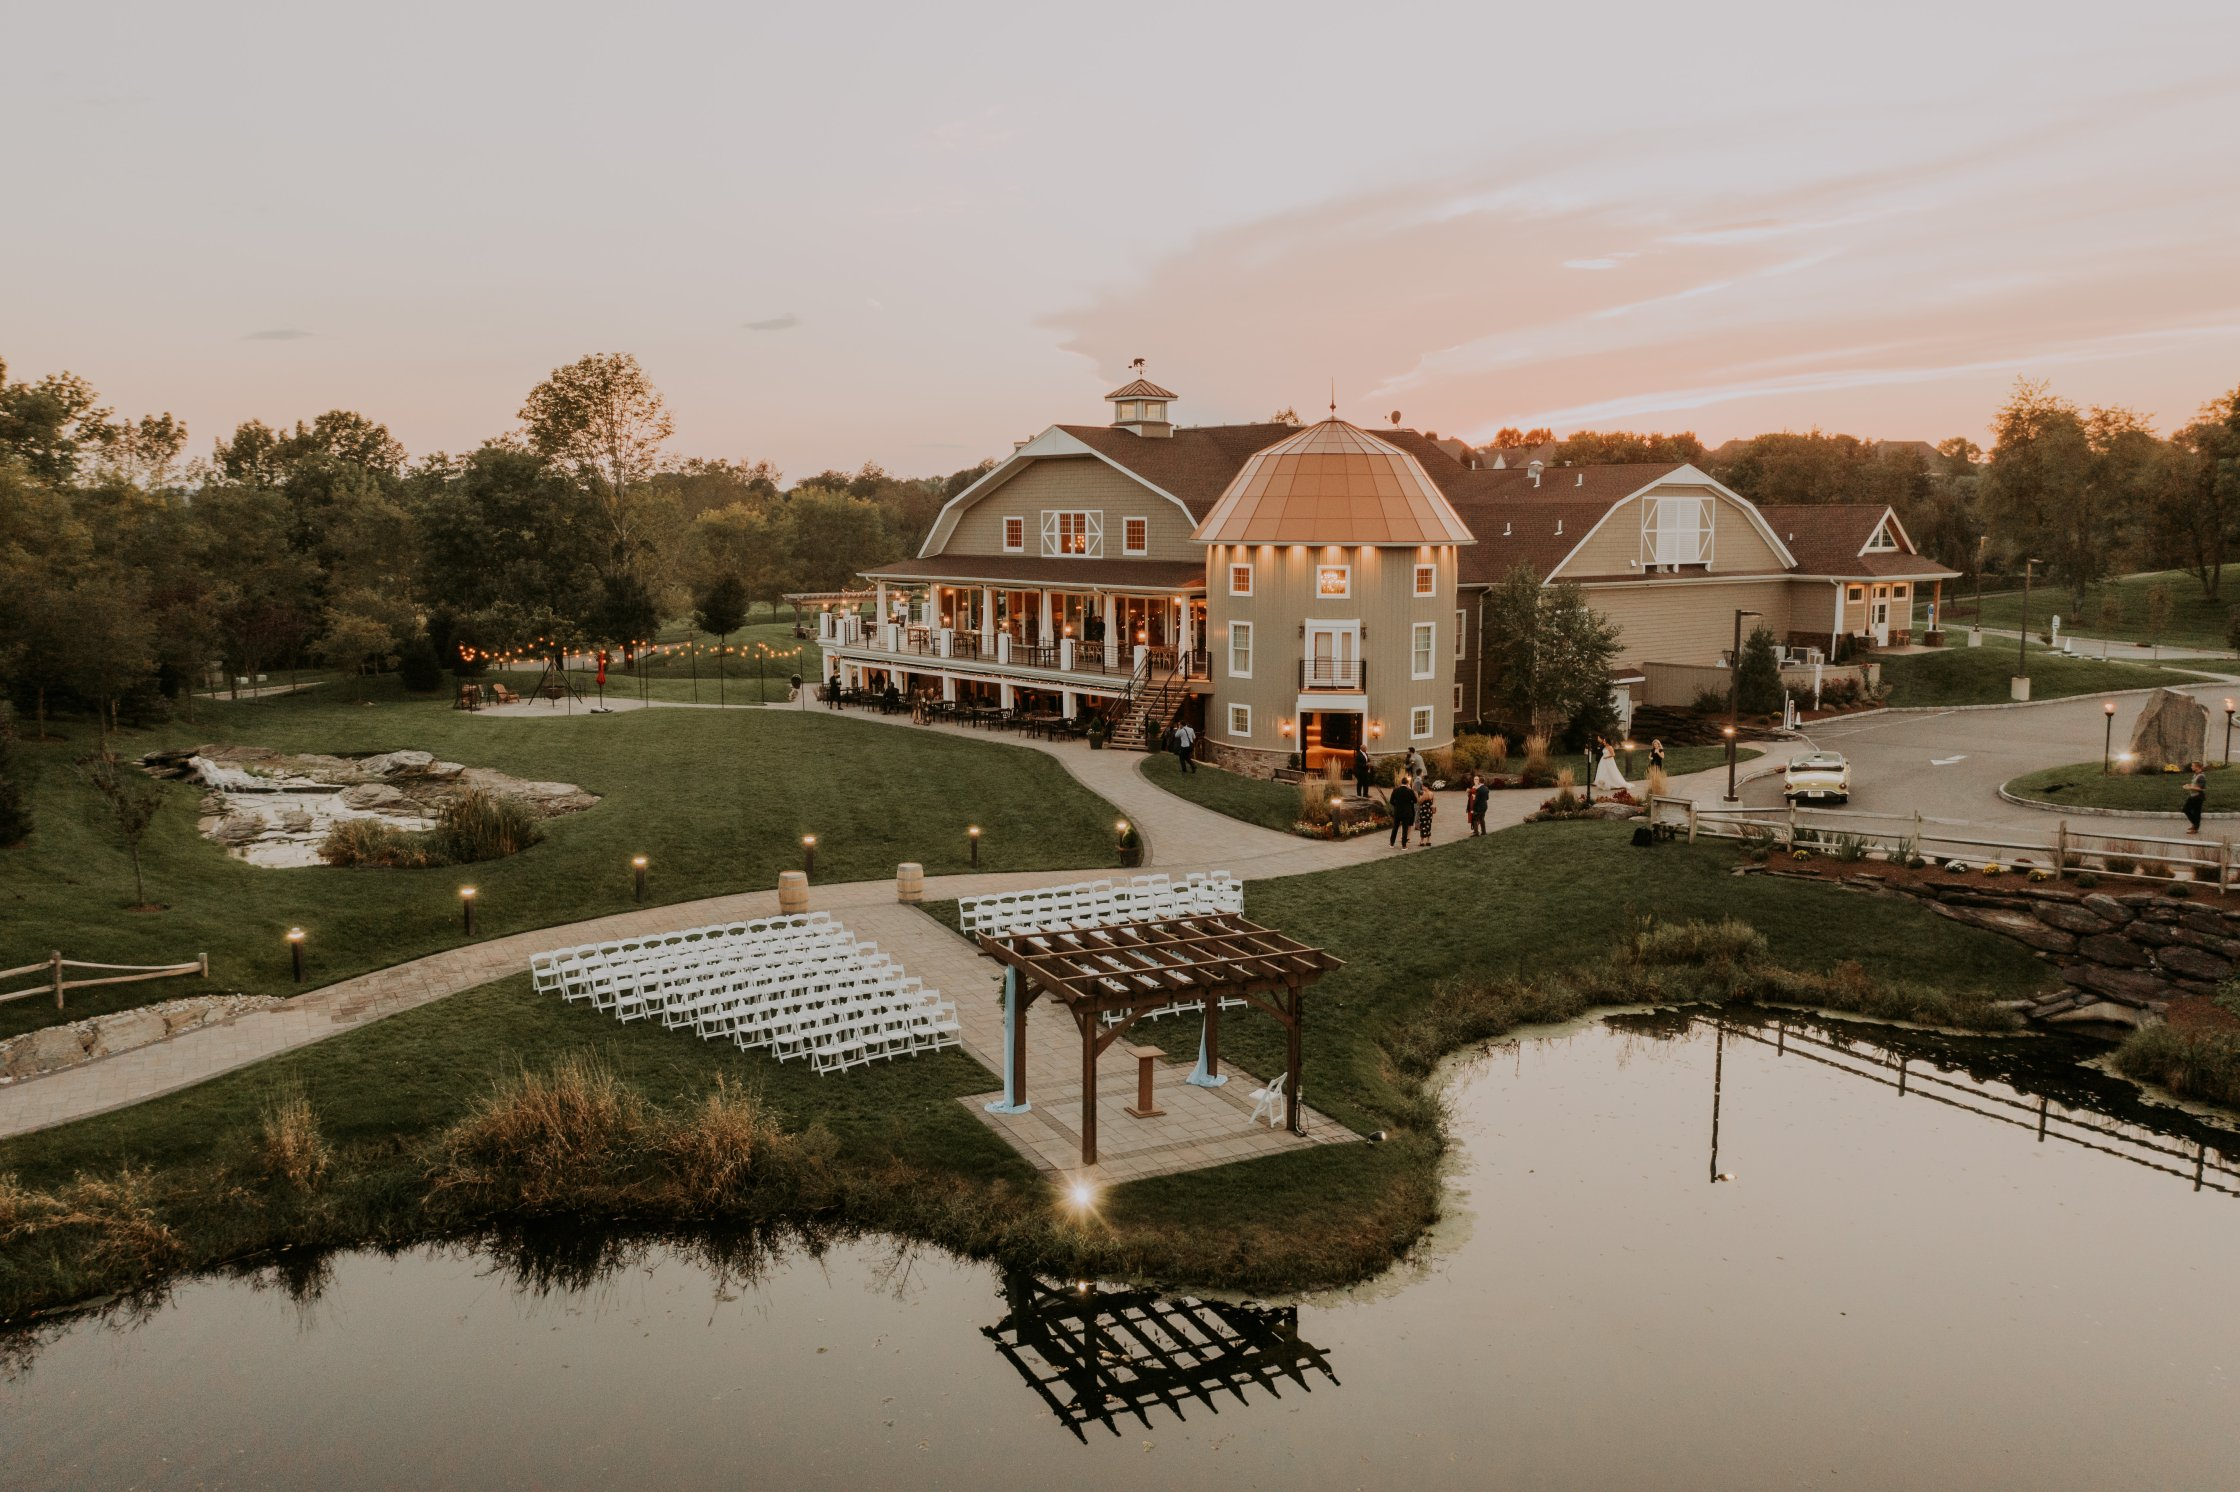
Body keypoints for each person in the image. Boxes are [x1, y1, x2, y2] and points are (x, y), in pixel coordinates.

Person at [1389, 774, 1418, 847]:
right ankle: (1404, 845)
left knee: (1395, 828)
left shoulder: (1395, 790)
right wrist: (1409, 802)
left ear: (1401, 782)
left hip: (1398, 811)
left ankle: (1392, 843)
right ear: (1407, 783)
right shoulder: (1410, 791)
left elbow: (1391, 801)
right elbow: (1415, 801)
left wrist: (1396, 805)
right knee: (1405, 829)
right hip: (1407, 812)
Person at [2185, 761, 2207, 835]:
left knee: (2187, 810)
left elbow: (2201, 788)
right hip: (2193, 795)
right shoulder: (2195, 775)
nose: (2191, 767)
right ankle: (2195, 826)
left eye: (2192, 766)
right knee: (2193, 811)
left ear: (2197, 767)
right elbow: (2195, 784)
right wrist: (2189, 785)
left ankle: (2195, 826)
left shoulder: (2201, 776)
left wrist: (2189, 787)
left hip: (2198, 796)